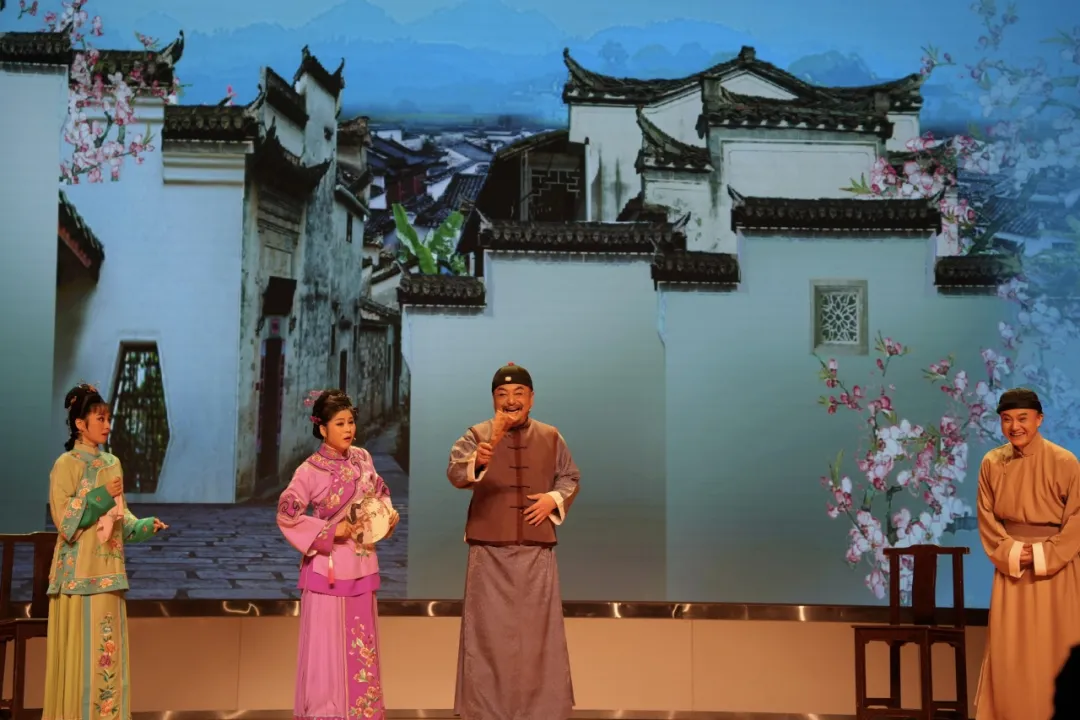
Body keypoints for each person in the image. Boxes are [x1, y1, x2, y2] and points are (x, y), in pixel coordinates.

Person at [446, 363, 581, 720]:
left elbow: (570, 476)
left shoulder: (551, 436)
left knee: (539, 637)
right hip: (488, 553)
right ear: (493, 399)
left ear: (531, 398)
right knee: (487, 637)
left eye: (519, 393)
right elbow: (456, 471)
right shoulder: (477, 434)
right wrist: (477, 461)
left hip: (536, 553)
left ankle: (541, 711)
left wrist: (553, 498)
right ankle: (486, 711)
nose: (511, 400)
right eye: (502, 394)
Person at [43, 383, 168, 720]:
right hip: (77, 576)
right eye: (100, 418)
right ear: (79, 423)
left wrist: (144, 526)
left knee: (107, 660)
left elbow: (119, 518)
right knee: (82, 660)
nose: (107, 425)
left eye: (108, 418)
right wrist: (100, 496)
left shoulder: (113, 462)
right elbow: (65, 521)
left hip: (108, 574)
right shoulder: (66, 464)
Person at [276, 389, 400, 720]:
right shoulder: (309, 470)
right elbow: (287, 514)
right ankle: (326, 713)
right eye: (340, 423)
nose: (348, 429)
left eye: (350, 422)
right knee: (326, 648)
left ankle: (361, 713)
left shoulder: (363, 458)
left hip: (362, 562)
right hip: (327, 568)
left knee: (361, 645)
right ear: (322, 428)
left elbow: (380, 493)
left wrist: (386, 516)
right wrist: (333, 531)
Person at [974, 387, 1080, 720]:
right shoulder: (992, 462)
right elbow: (986, 517)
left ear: (1039, 419)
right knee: (1010, 653)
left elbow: (1077, 518)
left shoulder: (1065, 461)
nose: (1014, 426)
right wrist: (1011, 552)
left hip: (1057, 569)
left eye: (1022, 418)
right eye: (1007, 419)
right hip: (1012, 569)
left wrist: (1044, 555)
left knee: (1056, 649)